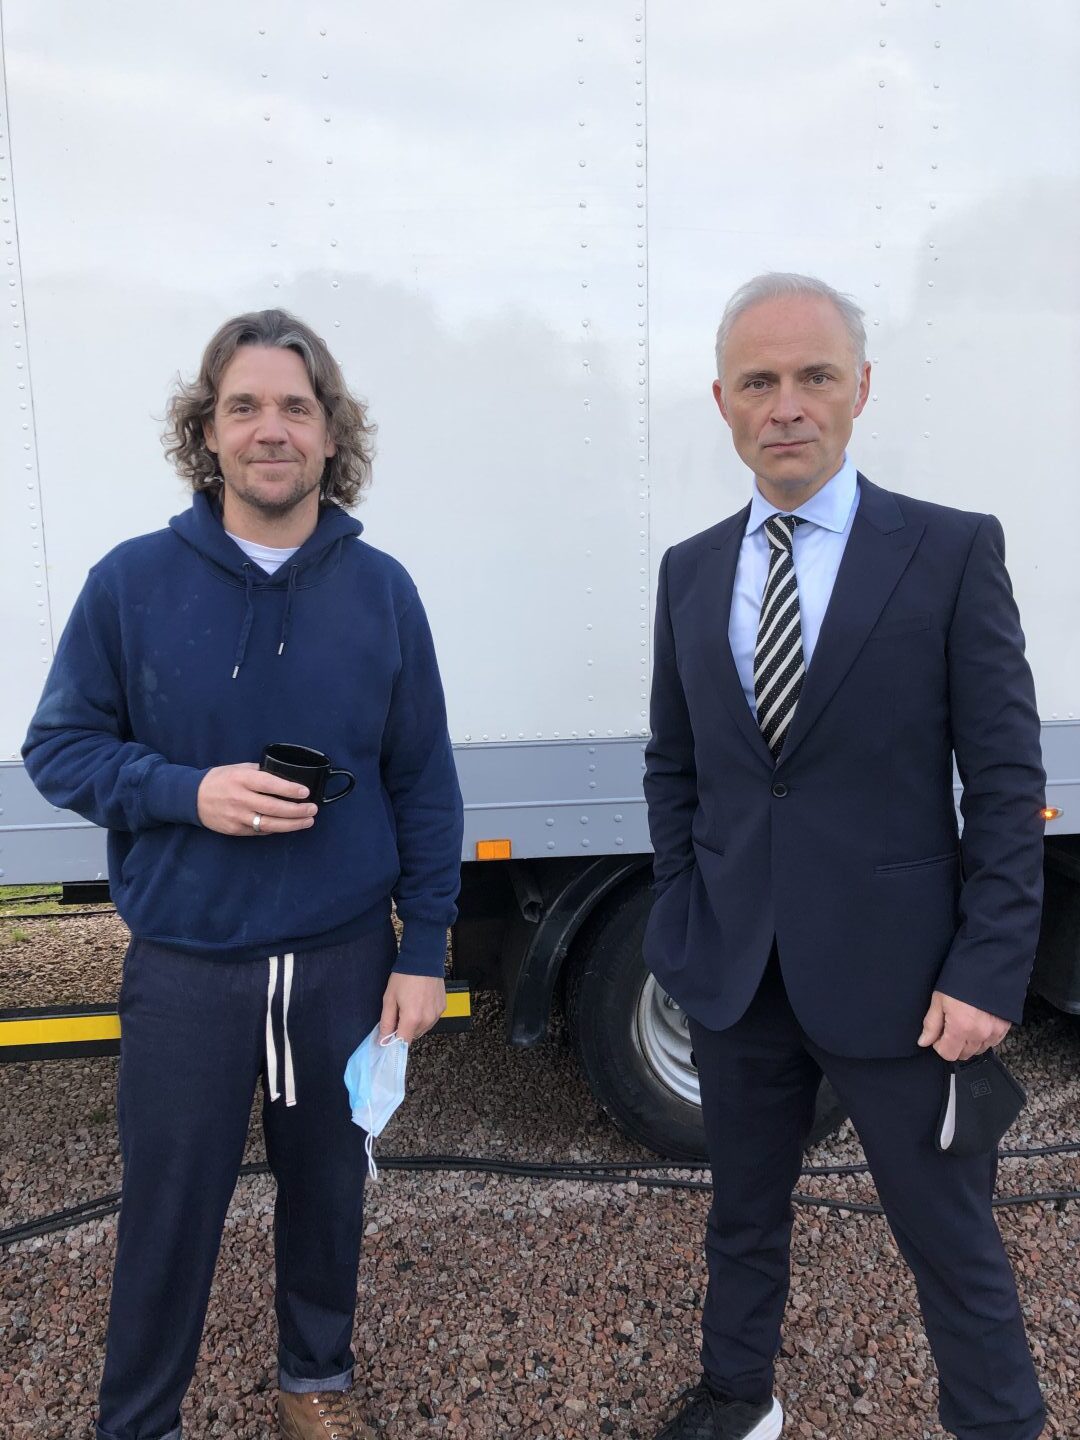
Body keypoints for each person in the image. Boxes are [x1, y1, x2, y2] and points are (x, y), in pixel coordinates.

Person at [22, 310, 463, 1440]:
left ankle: (314, 1385)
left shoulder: (383, 592)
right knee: (168, 1212)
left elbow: (423, 781)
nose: (273, 429)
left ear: (330, 434)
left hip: (343, 960)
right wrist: (188, 791)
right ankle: (140, 1418)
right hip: (188, 968)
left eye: (296, 407)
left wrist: (425, 950)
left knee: (327, 1200)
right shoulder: (131, 584)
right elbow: (60, 749)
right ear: (207, 432)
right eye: (245, 407)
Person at [642, 273, 1046, 1440]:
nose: (787, 405)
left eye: (814, 376)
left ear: (859, 390)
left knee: (948, 1231)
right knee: (742, 1211)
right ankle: (739, 1398)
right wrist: (681, 915)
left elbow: (1008, 782)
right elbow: (678, 769)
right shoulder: (691, 571)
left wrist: (986, 971)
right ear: (722, 402)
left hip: (906, 982)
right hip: (736, 972)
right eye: (759, 381)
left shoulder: (951, 552)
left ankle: (998, 1422)